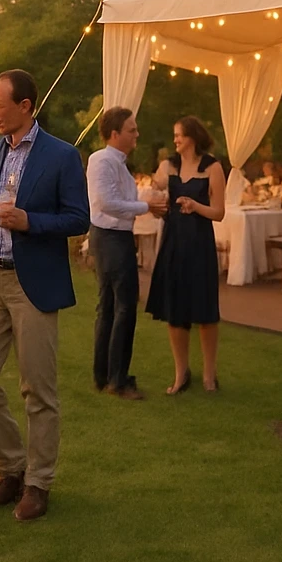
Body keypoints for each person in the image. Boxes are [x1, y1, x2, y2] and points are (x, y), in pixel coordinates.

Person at [0, 70, 89, 522]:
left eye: (0, 103)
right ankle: (11, 468)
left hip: (33, 284)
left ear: (26, 105)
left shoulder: (61, 156)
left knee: (38, 388)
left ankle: (38, 483)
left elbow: (80, 219)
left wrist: (30, 221)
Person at [87, 107, 168, 401]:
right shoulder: (102, 160)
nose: (137, 134)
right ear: (115, 134)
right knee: (122, 307)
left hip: (115, 237)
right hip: (110, 238)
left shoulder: (118, 163)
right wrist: (147, 206)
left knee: (110, 307)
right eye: (132, 130)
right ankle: (117, 379)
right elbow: (106, 202)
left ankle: (105, 375)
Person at [145, 116, 227, 395]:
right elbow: (153, 189)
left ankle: (209, 373)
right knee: (175, 310)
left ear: (192, 136)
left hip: (200, 243)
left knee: (205, 311)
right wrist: (155, 199)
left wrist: (195, 205)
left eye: (179, 135)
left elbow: (219, 212)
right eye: (174, 135)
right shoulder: (168, 165)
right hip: (173, 242)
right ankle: (181, 373)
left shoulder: (212, 167)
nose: (175, 140)